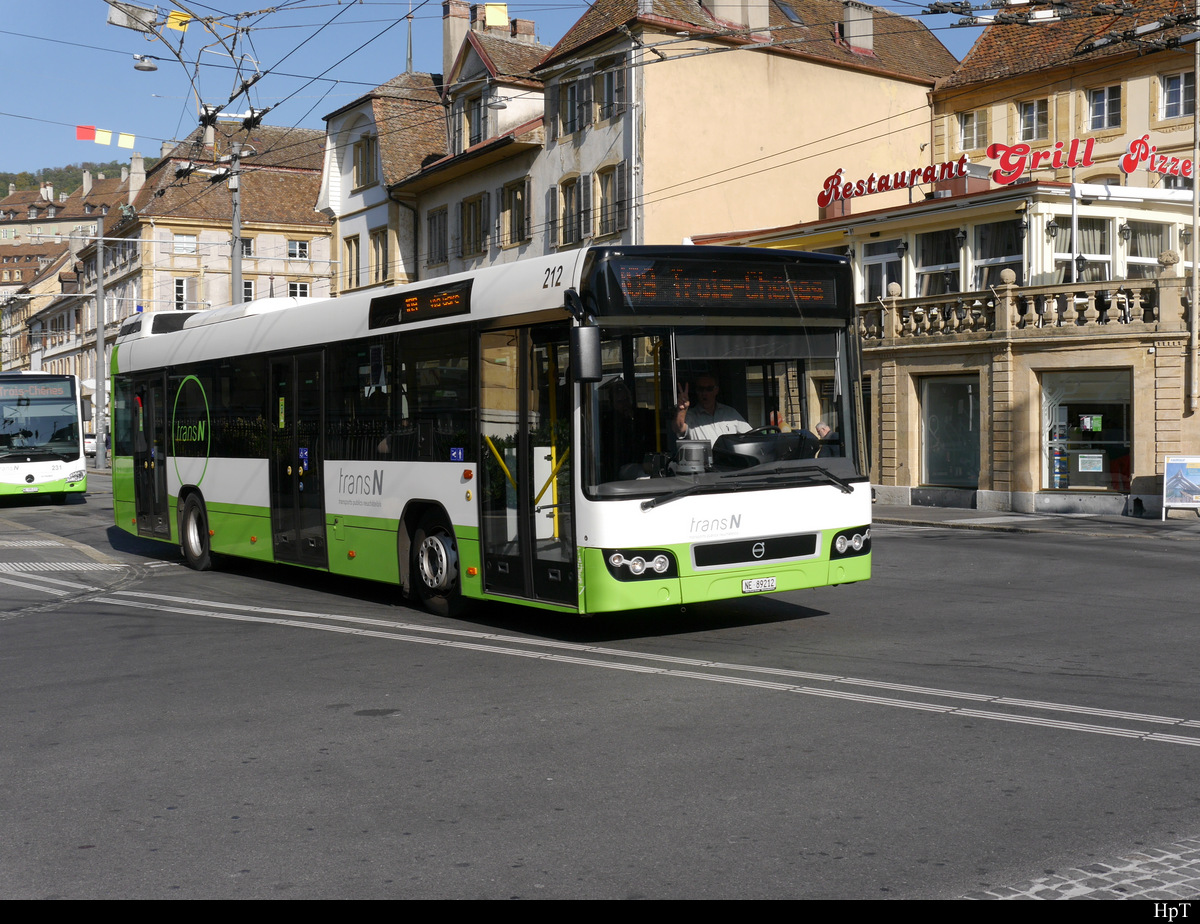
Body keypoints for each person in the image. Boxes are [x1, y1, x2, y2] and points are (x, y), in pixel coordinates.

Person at [674, 373, 751, 443]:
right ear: (696, 391)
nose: (704, 393)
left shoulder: (730, 412)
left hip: (729, 457)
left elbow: (750, 435)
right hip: (703, 458)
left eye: (709, 389)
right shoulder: (691, 415)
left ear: (716, 390)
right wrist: (682, 410)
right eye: (701, 389)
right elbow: (679, 428)